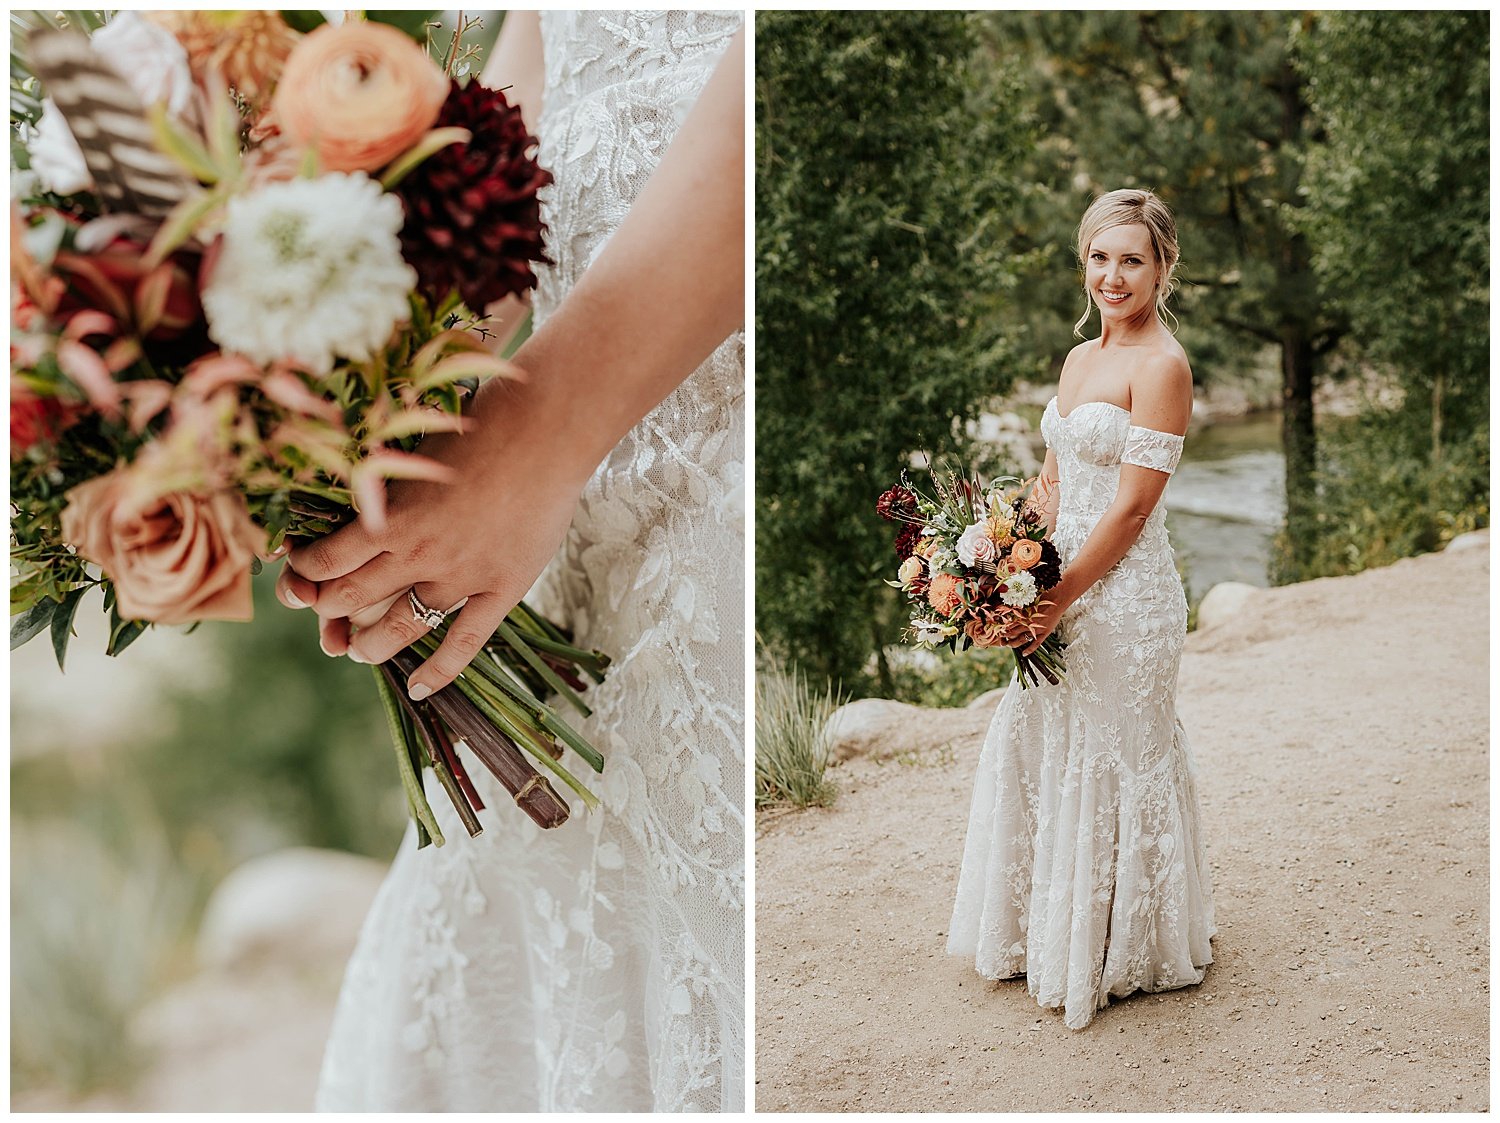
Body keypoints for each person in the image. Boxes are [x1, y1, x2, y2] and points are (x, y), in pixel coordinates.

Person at [282, 11, 745, 1110]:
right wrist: (370, 380)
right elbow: (544, 45)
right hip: (552, 517)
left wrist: (541, 427)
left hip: (696, 434)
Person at [947, 188, 1216, 1030]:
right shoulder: (1078, 360)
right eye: (1100, 257)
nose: (1112, 275)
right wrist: (993, 557)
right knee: (1048, 744)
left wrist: (1057, 599)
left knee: (1118, 753)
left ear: (1163, 267)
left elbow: (1132, 508)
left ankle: (1124, 947)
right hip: (1055, 585)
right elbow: (1056, 479)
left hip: (1126, 601)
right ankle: (1047, 933)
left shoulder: (1163, 367)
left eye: (1131, 258)